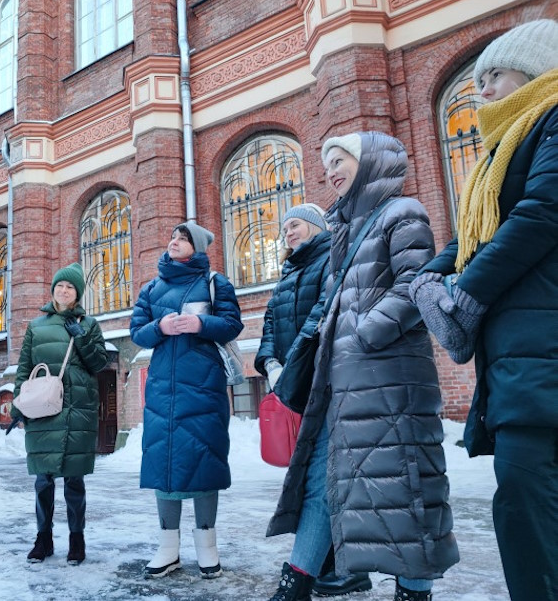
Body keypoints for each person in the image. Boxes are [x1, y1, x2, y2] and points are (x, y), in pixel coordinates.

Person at [265, 132, 459, 601]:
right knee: (322, 483)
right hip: (341, 384)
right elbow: (331, 306)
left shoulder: (402, 212)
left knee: (406, 488)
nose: (331, 170)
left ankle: (413, 593)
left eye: (340, 159)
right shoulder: (345, 231)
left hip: (390, 380)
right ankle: (294, 585)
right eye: (326, 162)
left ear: (371, 160)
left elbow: (417, 281)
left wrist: (365, 332)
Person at [409, 19, 558, 601]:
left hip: (541, 340)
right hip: (520, 352)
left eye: (493, 74)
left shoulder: (550, 120)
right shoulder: (502, 150)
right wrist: (431, 274)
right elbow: (479, 233)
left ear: (535, 65)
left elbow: (542, 214)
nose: (483, 89)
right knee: (524, 499)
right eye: (478, 80)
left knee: (525, 495)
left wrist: (466, 290)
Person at [254, 204, 373, 597]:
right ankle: (327, 563)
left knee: (332, 477)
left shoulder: (330, 258)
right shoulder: (288, 271)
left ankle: (348, 565)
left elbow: (324, 314)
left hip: (325, 380)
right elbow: (270, 321)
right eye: (284, 227)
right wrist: (269, 361)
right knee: (312, 477)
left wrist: (293, 363)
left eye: (296, 225)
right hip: (297, 385)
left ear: (317, 227)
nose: (288, 232)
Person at [130, 221, 243, 580]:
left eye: (183, 239)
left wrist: (200, 325)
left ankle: (207, 547)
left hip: (205, 385)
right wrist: (160, 328)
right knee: (164, 464)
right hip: (164, 388)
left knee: (204, 461)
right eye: (173, 237)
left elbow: (232, 324)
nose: (174, 242)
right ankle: (168, 548)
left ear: (197, 247)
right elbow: (137, 333)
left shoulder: (215, 283)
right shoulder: (152, 288)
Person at [11, 262, 108, 566]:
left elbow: (99, 364)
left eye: (70, 287)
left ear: (77, 293)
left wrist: (80, 336)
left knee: (74, 482)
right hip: (43, 409)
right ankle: (43, 539)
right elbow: (24, 368)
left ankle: (76, 540)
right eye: (60, 286)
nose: (64, 291)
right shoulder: (36, 327)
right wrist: (18, 403)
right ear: (53, 289)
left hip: (77, 410)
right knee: (43, 480)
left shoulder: (89, 324)